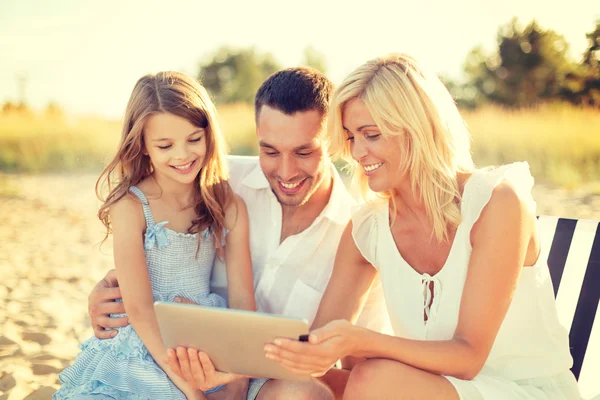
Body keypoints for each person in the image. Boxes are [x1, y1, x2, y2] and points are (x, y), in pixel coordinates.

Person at [264, 53, 581, 399]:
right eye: (351, 137)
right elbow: (318, 352)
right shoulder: (368, 228)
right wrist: (235, 363)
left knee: (372, 379)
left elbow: (468, 358)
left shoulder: (495, 203)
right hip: (430, 389)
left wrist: (363, 342)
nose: (356, 153)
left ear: (417, 128)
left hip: (522, 391)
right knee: (298, 389)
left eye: (371, 135)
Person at [86, 67, 391, 400]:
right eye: (270, 151)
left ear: (333, 141)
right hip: (171, 353)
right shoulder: (211, 180)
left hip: (261, 379)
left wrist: (235, 378)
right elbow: (151, 256)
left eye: (304, 152)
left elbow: (349, 368)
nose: (286, 172)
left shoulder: (358, 233)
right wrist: (106, 294)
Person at [54, 71, 256, 400]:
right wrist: (191, 392)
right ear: (144, 147)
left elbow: (243, 300)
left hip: (201, 336)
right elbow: (140, 308)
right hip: (144, 341)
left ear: (209, 134)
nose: (183, 155)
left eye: (194, 139)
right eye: (165, 145)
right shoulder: (132, 206)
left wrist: (238, 381)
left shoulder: (227, 203)